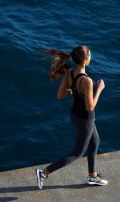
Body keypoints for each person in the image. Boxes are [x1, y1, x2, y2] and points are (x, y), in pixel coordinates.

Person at [36, 45, 108, 189]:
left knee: (95, 142)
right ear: (85, 60)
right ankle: (44, 172)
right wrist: (99, 89)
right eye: (90, 55)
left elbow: (60, 95)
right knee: (77, 153)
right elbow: (90, 107)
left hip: (75, 115)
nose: (91, 57)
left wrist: (74, 91)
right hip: (85, 119)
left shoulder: (70, 73)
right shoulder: (87, 81)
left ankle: (92, 176)